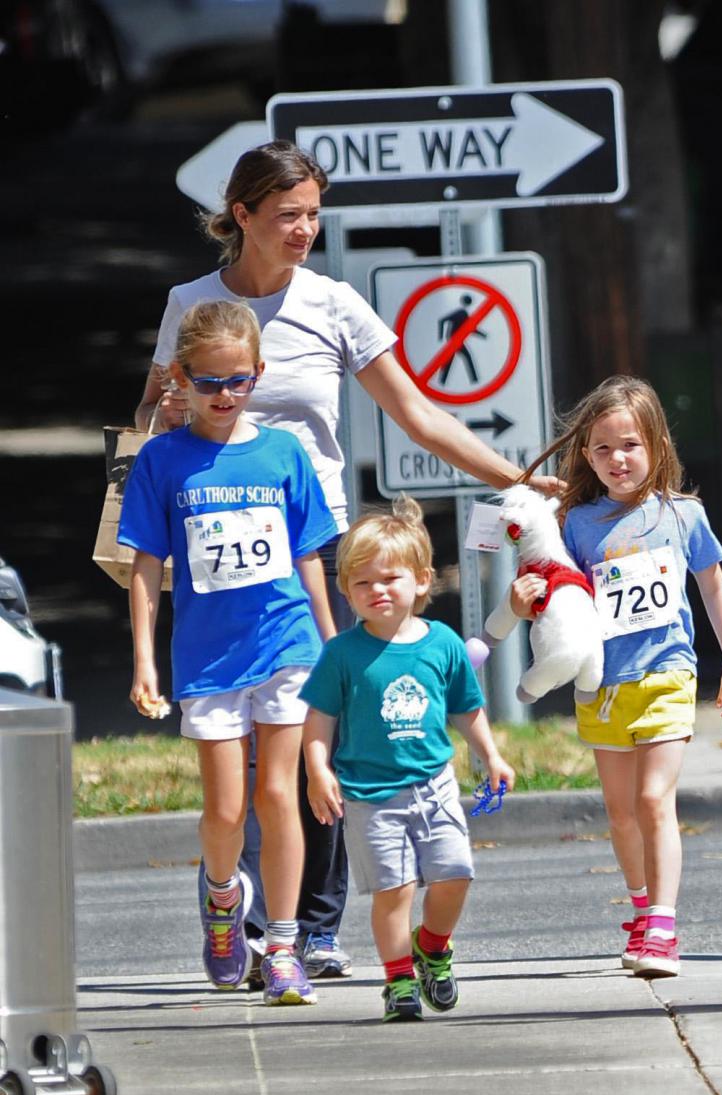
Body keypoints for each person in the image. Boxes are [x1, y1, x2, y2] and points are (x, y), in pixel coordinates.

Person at [134, 140, 556, 981]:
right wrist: (169, 407)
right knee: (238, 766)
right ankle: (237, 915)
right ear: (243, 215)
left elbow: (418, 413)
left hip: (316, 548)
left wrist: (520, 476)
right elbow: (145, 425)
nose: (304, 231)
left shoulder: (333, 303)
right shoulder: (192, 303)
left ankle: (308, 929)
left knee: (317, 732)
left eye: (313, 216)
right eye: (288, 215)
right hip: (217, 543)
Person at [119, 300, 336, 1006]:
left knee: (280, 797)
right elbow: (147, 564)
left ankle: (281, 944)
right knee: (225, 811)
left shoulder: (282, 453)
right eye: (208, 382)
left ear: (258, 375)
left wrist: (334, 648)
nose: (223, 395)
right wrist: (146, 661)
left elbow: (308, 559)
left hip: (287, 644)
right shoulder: (162, 459)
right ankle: (221, 904)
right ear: (181, 377)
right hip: (209, 660)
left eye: (237, 380)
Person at [517, 376, 722, 979]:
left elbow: (715, 587)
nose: (618, 459)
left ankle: (665, 928)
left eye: (631, 445)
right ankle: (643, 909)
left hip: (668, 674)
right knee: (620, 813)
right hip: (602, 684)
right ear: (587, 456)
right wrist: (524, 603)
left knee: (653, 800)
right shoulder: (575, 523)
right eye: (603, 449)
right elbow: (553, 595)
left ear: (656, 445)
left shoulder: (683, 515)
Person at [299, 497, 515, 1022]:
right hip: (371, 795)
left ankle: (433, 947)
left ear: (421, 581)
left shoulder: (441, 643)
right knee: (392, 893)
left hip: (434, 785)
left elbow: (466, 708)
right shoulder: (342, 654)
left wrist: (490, 754)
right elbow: (319, 721)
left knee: (455, 874)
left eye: (389, 578)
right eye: (362, 582)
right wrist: (317, 771)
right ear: (347, 591)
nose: (377, 591)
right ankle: (398, 981)